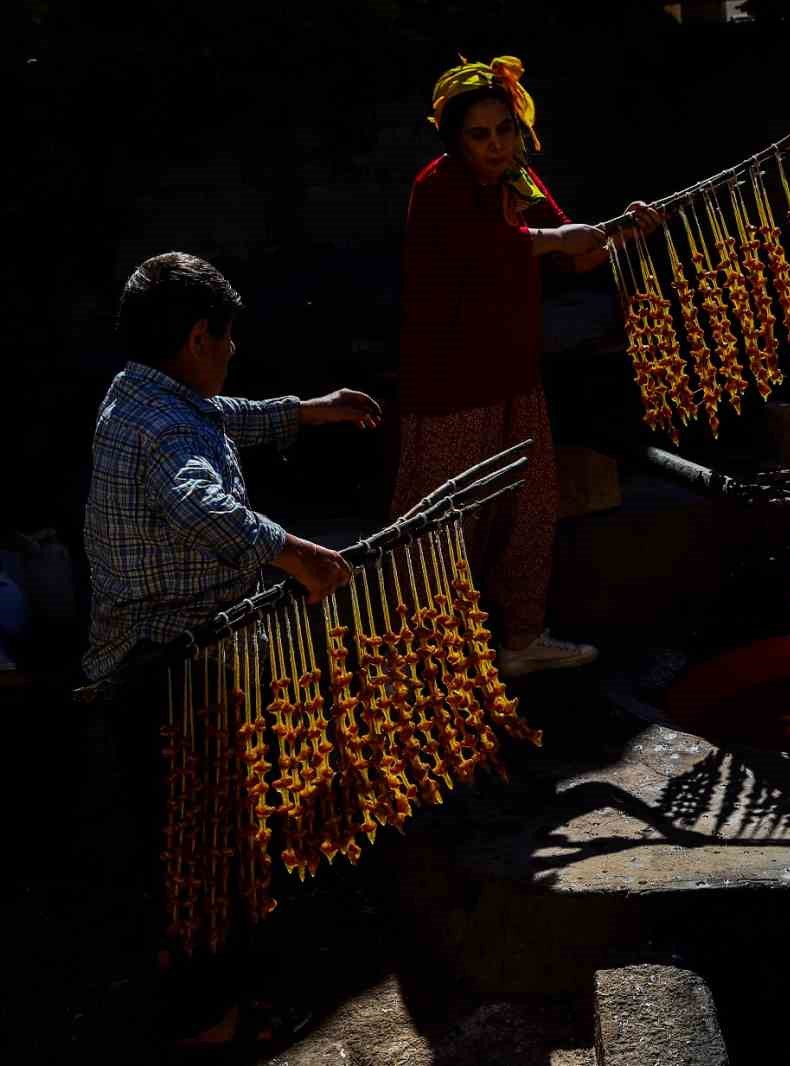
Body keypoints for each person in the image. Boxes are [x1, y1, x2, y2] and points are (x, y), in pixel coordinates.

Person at [81, 250, 380, 1048]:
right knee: (198, 849)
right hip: (164, 668)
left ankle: (203, 1000)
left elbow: (224, 416)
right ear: (195, 338)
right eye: (225, 338)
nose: (233, 351)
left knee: (191, 839)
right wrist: (302, 556)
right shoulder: (168, 432)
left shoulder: (140, 394)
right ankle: (210, 1022)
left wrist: (311, 410)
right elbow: (203, 507)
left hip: (150, 657)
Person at [390, 54, 661, 676]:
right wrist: (560, 241)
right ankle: (421, 654)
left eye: (505, 131)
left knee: (531, 509)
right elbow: (489, 253)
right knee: (445, 519)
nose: (496, 145)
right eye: (480, 135)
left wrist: (627, 229)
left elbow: (577, 253)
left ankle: (521, 638)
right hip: (452, 385)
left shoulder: (518, 180)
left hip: (515, 374)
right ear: (455, 141)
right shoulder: (439, 187)